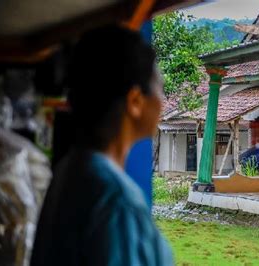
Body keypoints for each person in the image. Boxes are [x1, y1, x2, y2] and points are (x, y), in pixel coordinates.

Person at [30, 25, 173, 266]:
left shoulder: (73, 169)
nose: (164, 101)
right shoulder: (116, 201)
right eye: (160, 88)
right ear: (135, 101)